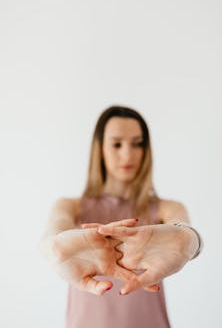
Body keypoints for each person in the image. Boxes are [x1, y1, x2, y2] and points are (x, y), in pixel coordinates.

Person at [40, 105, 203, 328]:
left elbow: (185, 230)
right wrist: (53, 248)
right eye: (117, 144)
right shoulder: (70, 206)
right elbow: (52, 236)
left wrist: (191, 242)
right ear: (100, 149)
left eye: (137, 144)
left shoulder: (167, 208)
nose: (127, 154)